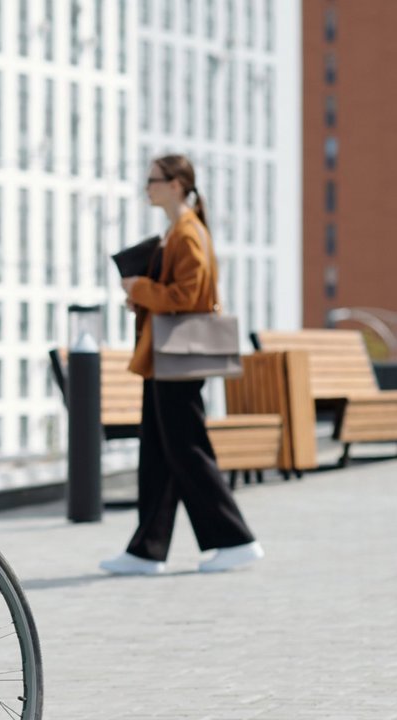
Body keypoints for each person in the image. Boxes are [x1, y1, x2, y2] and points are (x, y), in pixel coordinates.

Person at [101, 154, 265, 576]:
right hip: (165, 357)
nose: (147, 187)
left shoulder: (188, 232)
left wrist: (139, 287)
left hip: (177, 359)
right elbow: (175, 293)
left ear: (176, 185)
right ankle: (146, 550)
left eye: (153, 180)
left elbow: (187, 297)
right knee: (159, 452)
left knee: (187, 451)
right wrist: (142, 295)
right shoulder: (179, 229)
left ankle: (236, 540)